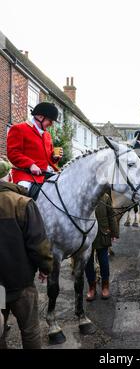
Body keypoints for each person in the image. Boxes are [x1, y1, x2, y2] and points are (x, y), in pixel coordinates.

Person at [0, 158, 53, 349]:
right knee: (30, 331)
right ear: (10, 175)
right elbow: (38, 243)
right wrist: (45, 267)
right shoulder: (23, 203)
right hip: (21, 283)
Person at [7, 102, 63, 195]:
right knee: (23, 194)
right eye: (50, 120)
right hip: (26, 175)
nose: (51, 124)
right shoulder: (19, 129)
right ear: (40, 117)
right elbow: (13, 153)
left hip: (47, 174)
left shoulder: (47, 135)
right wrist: (30, 164)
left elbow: (48, 159)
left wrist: (54, 157)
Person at [85, 193, 119, 301]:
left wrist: (114, 233)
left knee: (104, 261)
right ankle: (92, 287)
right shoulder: (84, 195)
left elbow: (111, 215)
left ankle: (105, 286)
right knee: (88, 263)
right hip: (87, 235)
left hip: (102, 233)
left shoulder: (105, 197)